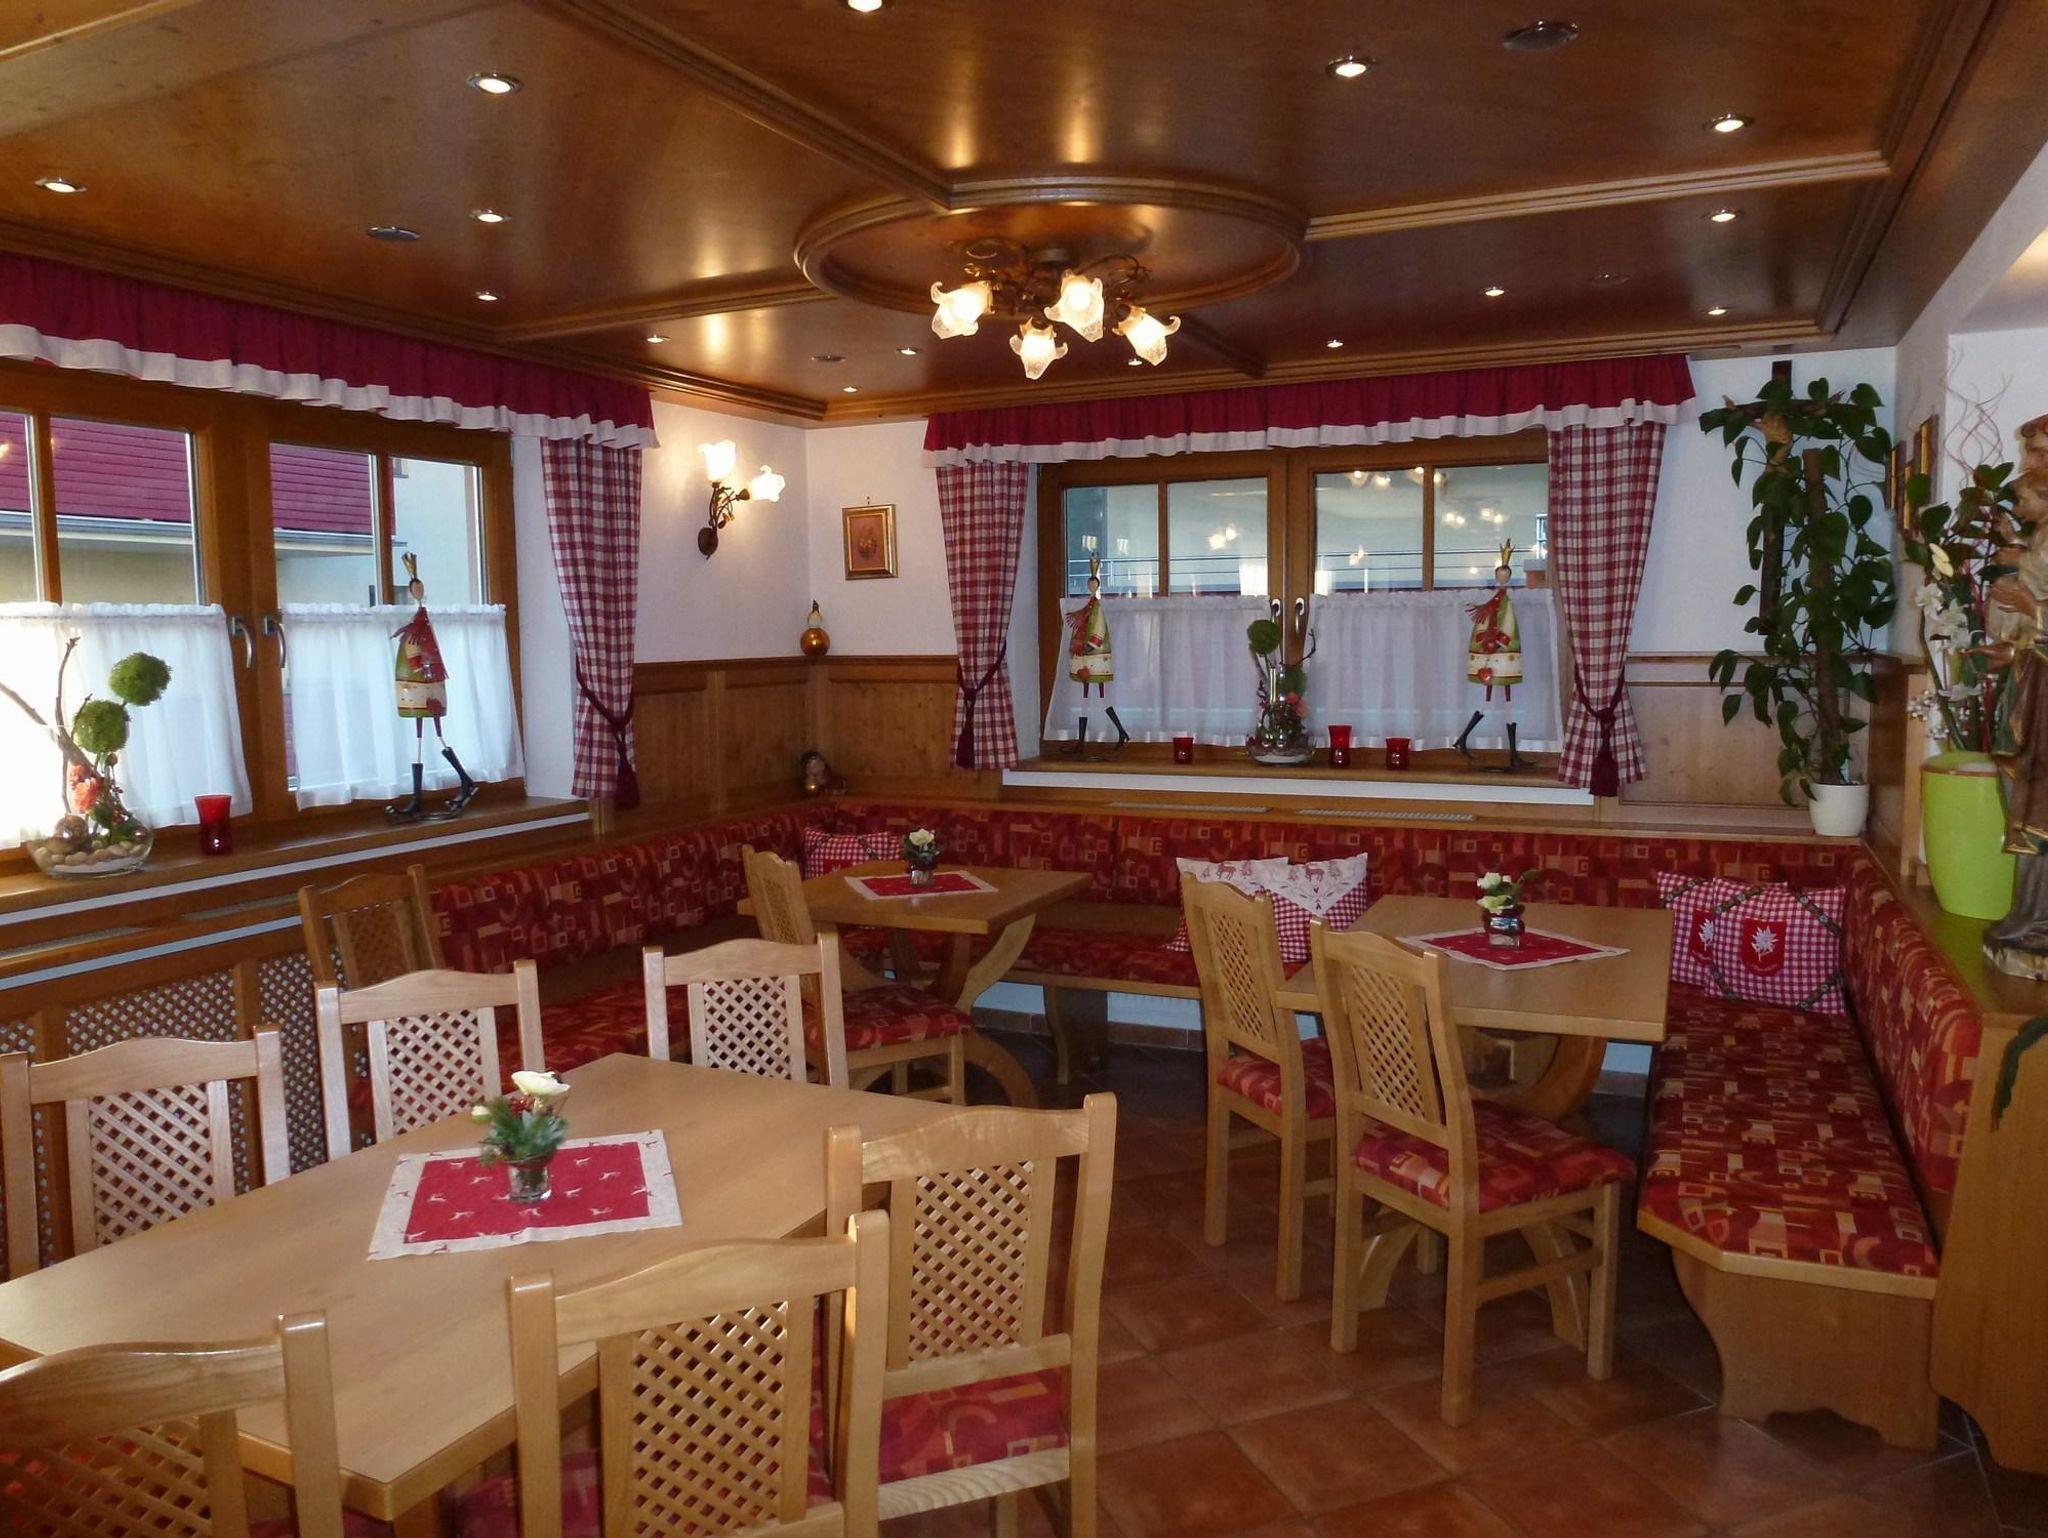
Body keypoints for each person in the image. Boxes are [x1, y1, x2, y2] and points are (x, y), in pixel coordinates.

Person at [388, 552, 478, 820]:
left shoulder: (419, 631)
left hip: (425, 688)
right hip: (419, 688)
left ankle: (464, 781)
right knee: (419, 738)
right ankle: (419, 797)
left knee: (437, 735)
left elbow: (417, 658)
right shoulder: (418, 629)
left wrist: (419, 670)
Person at [1453, 540, 1532, 770]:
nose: (1503, 579)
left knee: (1505, 703)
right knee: (1493, 702)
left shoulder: (1500, 602)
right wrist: (1495, 643)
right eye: (1501, 575)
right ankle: (1466, 741)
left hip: (1499, 658)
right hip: (1496, 657)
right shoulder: (1496, 603)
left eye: (1505, 575)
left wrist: (1497, 642)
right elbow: (1497, 628)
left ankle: (1509, 753)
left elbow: (1505, 627)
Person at [1063, 548, 1128, 756]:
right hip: (1085, 657)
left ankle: (1119, 732)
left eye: (1094, 584)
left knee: (1101, 697)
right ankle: (1083, 741)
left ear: (1097, 585)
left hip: (1094, 657)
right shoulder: (1088, 608)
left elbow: (1099, 628)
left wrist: (1091, 645)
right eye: (1090, 584)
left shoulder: (1096, 607)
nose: (1091, 587)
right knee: (1085, 699)